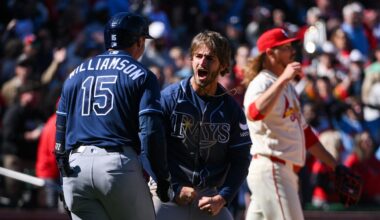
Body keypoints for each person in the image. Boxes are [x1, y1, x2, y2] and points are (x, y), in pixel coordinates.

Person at [54, 12, 172, 220]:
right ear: (138, 41)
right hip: (116, 166)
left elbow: (60, 132)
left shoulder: (75, 73)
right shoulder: (142, 74)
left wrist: (64, 177)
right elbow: (150, 131)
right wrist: (161, 178)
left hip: (75, 168)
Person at [242, 28, 343, 220]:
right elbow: (254, 113)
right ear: (270, 53)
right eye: (285, 47)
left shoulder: (287, 86)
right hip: (271, 167)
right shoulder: (262, 82)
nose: (292, 51)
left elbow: (306, 133)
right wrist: (283, 80)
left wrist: (334, 165)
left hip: (282, 171)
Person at [152, 30, 252, 220]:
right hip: (167, 192)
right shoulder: (169, 99)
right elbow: (150, 147)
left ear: (223, 65)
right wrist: (173, 187)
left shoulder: (231, 109)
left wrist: (223, 197)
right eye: (198, 56)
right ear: (191, 59)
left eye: (210, 58)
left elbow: (241, 158)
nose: (202, 62)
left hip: (208, 196)